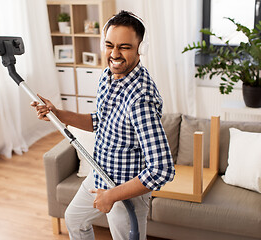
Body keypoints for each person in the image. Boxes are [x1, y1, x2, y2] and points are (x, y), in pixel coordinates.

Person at [31, 10, 175, 240]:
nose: (114, 54)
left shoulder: (140, 99)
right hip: (99, 175)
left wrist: (113, 195)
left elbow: (162, 170)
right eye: (109, 45)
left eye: (124, 47)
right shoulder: (107, 76)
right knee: (75, 220)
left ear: (141, 48)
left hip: (125, 192)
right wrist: (58, 114)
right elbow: (100, 121)